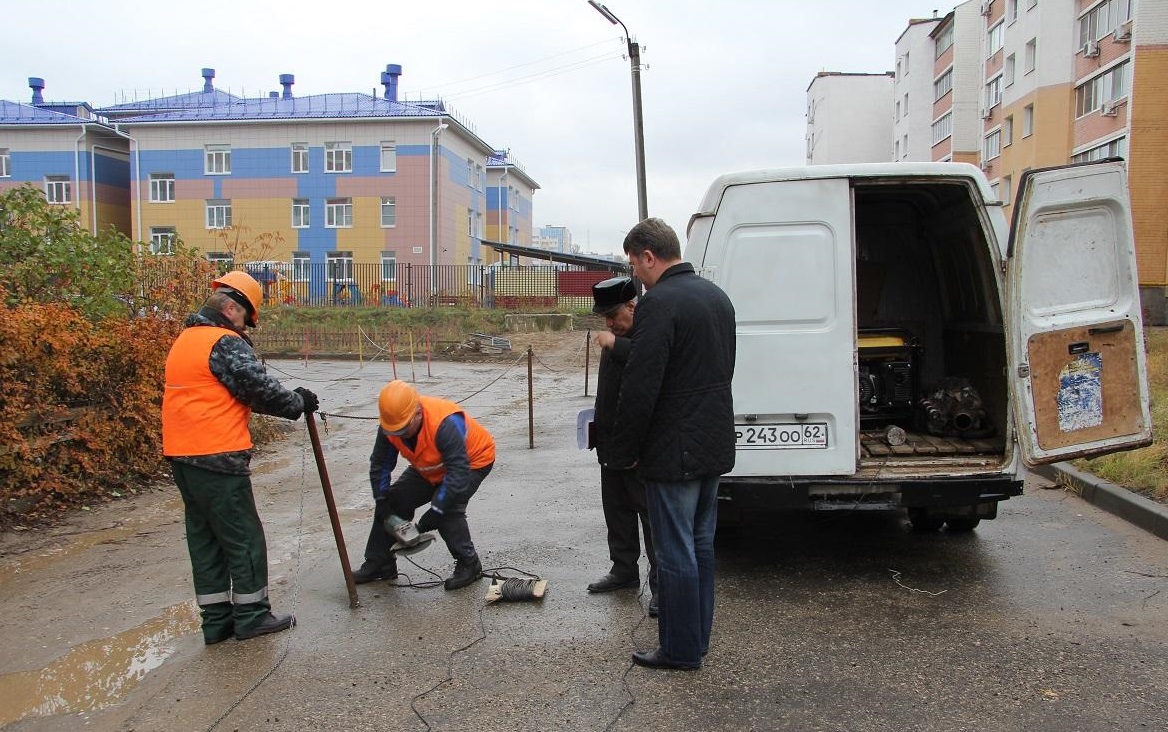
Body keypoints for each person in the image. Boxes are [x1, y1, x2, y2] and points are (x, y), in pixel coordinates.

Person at [607, 218, 736, 671]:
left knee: (675, 551)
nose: (634, 276)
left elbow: (640, 387)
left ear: (648, 256)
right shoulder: (716, 297)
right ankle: (696, 640)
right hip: (713, 445)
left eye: (634, 264)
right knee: (700, 545)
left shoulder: (659, 303)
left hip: (673, 452)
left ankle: (679, 650)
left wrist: (623, 451)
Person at [162, 270, 318, 645]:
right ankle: (251, 615)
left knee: (206, 540)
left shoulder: (186, 340)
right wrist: (297, 402)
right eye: (247, 319)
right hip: (216, 456)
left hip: (182, 457)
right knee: (243, 537)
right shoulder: (223, 342)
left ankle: (216, 623)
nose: (246, 328)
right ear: (232, 307)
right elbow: (257, 388)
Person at [359, 380, 496, 591]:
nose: (399, 435)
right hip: (429, 465)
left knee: (448, 508)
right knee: (392, 500)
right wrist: (382, 498)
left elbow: (458, 473)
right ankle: (380, 563)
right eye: (394, 431)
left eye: (403, 429)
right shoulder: (391, 425)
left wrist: (436, 510)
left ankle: (470, 564)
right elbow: (381, 464)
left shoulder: (446, 423)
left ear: (418, 413)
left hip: (472, 461)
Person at [587, 276, 658, 617]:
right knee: (616, 510)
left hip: (640, 448)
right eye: (606, 318)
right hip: (610, 443)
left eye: (614, 315)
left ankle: (661, 585)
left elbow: (649, 364)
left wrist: (615, 344)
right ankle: (624, 570)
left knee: (651, 517)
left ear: (632, 306)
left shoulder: (646, 332)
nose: (610, 323)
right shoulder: (618, 335)